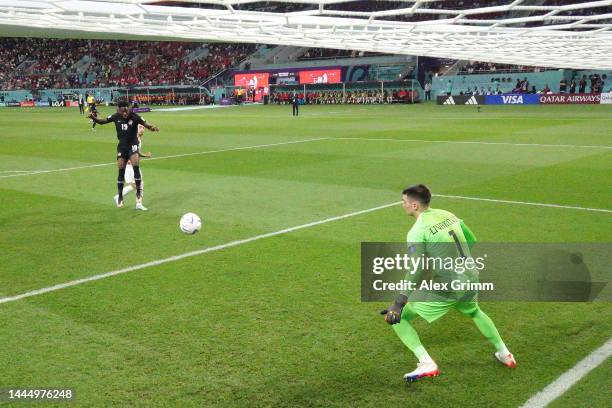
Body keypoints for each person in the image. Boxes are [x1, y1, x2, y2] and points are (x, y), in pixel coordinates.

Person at [382, 184, 515, 383]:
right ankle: (505, 354)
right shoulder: (447, 214)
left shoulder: (417, 231)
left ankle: (427, 363)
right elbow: (471, 239)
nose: (402, 205)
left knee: (398, 318)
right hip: (470, 275)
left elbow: (416, 270)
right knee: (474, 311)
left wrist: (398, 302)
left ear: (415, 205)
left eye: (404, 202)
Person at [89, 100, 159, 210]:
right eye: (122, 111)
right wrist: (93, 118)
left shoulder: (135, 116)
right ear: (119, 109)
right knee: (122, 173)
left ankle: (138, 199)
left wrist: (152, 128)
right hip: (122, 147)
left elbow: (146, 124)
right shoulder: (115, 116)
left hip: (132, 146)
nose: (125, 113)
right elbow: (102, 121)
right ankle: (120, 196)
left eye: (126, 110)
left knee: (137, 170)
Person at [114, 124, 151, 206]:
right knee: (137, 184)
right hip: (128, 166)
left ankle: (137, 203)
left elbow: (136, 152)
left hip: (134, 165)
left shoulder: (138, 139)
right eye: (140, 127)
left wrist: (145, 155)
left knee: (138, 184)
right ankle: (137, 204)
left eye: (143, 128)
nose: (142, 129)